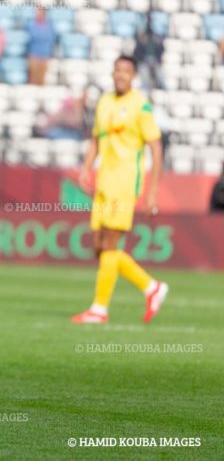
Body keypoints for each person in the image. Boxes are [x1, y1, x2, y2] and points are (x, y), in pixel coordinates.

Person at [72, 56, 168, 324]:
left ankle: (99, 309)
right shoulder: (104, 102)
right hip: (103, 182)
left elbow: (155, 147)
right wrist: (86, 168)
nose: (121, 75)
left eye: (126, 71)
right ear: (112, 73)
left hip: (125, 183)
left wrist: (152, 191)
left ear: (134, 75)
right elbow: (96, 139)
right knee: (99, 247)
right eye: (117, 70)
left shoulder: (140, 104)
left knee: (110, 244)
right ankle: (151, 287)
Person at [133, 12, 165, 91]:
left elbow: (161, 49)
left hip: (155, 60)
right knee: (144, 75)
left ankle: (163, 88)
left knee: (160, 74)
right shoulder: (139, 38)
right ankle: (145, 88)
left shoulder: (157, 37)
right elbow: (137, 52)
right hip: (143, 61)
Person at [26, 8, 56, 86]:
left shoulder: (49, 25)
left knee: (42, 79)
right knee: (33, 78)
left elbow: (51, 38)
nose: (37, 14)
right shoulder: (31, 25)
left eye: (39, 12)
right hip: (34, 55)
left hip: (45, 55)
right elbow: (33, 37)